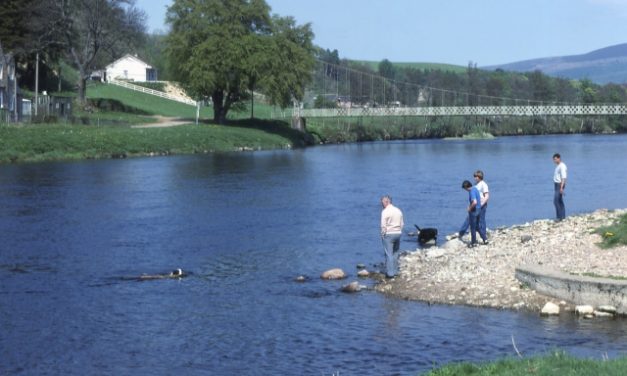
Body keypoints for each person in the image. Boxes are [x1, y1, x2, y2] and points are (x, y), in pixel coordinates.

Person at [458, 171, 489, 244]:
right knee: (472, 222)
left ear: (480, 177)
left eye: (476, 177)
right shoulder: (475, 186)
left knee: (477, 224)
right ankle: (484, 238)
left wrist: (480, 205)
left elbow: (486, 196)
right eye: (474, 177)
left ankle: (474, 241)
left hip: (480, 206)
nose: (475, 178)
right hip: (477, 206)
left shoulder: (483, 185)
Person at [380, 195, 404, 278]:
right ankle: (396, 271)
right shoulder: (398, 210)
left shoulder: (385, 211)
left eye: (382, 202)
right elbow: (402, 224)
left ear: (386, 202)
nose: (381, 204)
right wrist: (399, 231)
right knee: (395, 252)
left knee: (388, 254)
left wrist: (383, 234)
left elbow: (383, 225)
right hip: (398, 233)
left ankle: (390, 273)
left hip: (389, 234)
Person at [462, 180, 481, 247]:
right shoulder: (475, 188)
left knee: (473, 227)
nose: (465, 190)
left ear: (466, 187)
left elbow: (474, 202)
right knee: (477, 226)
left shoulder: (471, 191)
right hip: (479, 209)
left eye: (465, 189)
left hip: (474, 211)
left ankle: (473, 242)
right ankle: (485, 239)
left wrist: (469, 208)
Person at [553, 153, 567, 220]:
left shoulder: (562, 166)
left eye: (555, 159)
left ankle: (559, 217)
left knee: (556, 201)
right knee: (560, 201)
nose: (554, 161)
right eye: (554, 159)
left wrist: (561, 188)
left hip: (559, 185)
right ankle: (562, 217)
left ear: (559, 158)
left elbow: (563, 177)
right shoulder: (558, 166)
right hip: (556, 185)